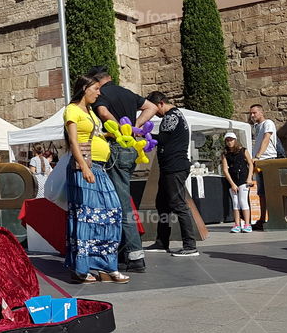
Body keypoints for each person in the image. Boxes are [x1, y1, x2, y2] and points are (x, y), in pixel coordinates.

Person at [63, 73, 128, 283]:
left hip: (99, 167)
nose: (99, 93)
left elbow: (90, 135)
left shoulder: (89, 111)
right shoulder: (71, 110)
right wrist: (84, 167)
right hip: (85, 168)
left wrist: (106, 136)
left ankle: (105, 264)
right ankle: (82, 267)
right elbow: (73, 141)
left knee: (112, 211)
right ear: (85, 89)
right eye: (96, 89)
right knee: (86, 216)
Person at [92, 67, 158, 273]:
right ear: (110, 78)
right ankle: (122, 251)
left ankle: (135, 256)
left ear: (97, 82)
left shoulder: (102, 95)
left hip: (117, 149)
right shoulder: (127, 93)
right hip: (130, 150)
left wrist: (118, 129)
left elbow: (103, 112)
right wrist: (134, 126)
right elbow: (152, 107)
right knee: (120, 200)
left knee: (121, 205)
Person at [143, 92, 200, 257]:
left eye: (153, 109)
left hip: (175, 167)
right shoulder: (175, 116)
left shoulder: (171, 116)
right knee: (162, 204)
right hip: (169, 167)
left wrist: (143, 134)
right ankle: (162, 242)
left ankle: (190, 245)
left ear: (160, 103)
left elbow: (163, 139)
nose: (153, 113)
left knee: (178, 204)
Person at [249, 104, 278, 229]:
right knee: (262, 192)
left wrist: (258, 155)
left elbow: (266, 139)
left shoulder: (268, 123)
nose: (252, 115)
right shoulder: (256, 127)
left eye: (254, 113)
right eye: (251, 113)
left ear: (261, 112)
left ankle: (274, 217)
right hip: (260, 162)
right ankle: (262, 218)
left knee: (271, 191)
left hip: (268, 159)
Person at [221, 131, 254, 233]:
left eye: (231, 140)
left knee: (243, 201)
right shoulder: (225, 154)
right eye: (227, 140)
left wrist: (249, 178)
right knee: (235, 202)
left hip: (243, 179)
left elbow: (250, 164)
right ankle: (237, 224)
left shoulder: (243, 151)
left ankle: (247, 224)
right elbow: (225, 170)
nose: (229, 142)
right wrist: (232, 184)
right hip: (233, 180)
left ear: (235, 140)